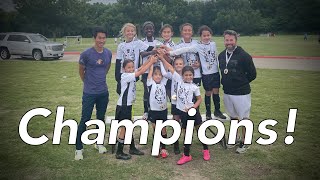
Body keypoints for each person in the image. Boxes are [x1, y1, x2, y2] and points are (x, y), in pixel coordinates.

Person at [159, 54, 210, 165]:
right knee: (186, 133)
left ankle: (206, 150)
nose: (188, 77)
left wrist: (193, 107)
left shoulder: (194, 87)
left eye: (190, 75)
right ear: (182, 76)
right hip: (183, 113)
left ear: (193, 75)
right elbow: (171, 68)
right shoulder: (178, 80)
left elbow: (199, 99)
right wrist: (162, 58)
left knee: (199, 130)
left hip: (193, 112)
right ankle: (187, 155)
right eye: (186, 75)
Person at [166, 25, 226, 120]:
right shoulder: (196, 45)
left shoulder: (212, 44)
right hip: (195, 74)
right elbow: (182, 50)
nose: (206, 37)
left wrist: (200, 63)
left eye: (208, 35)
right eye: (204, 36)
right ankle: (203, 113)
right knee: (201, 93)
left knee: (214, 92)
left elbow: (211, 57)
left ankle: (215, 111)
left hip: (209, 73)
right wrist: (169, 53)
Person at [75, 27, 112, 160]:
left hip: (103, 92)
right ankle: (79, 149)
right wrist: (87, 82)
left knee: (100, 119)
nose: (101, 40)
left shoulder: (108, 53)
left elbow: (107, 68)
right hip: (89, 93)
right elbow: (81, 71)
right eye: (99, 38)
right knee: (85, 119)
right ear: (94, 38)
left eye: (103, 38)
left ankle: (99, 143)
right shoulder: (86, 54)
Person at [218, 30, 256, 153]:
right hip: (227, 92)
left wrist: (241, 83)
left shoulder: (244, 55)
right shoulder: (221, 55)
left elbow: (252, 74)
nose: (229, 42)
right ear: (224, 41)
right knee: (233, 117)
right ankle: (234, 138)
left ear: (235, 40)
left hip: (241, 93)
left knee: (244, 118)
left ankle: (245, 141)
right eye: (227, 40)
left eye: (231, 40)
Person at [115, 55, 157, 160]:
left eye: (132, 67)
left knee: (129, 126)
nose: (131, 69)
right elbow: (141, 72)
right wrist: (151, 62)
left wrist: (149, 60)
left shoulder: (131, 73)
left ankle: (132, 148)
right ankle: (119, 152)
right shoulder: (125, 76)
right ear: (124, 69)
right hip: (123, 106)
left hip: (128, 106)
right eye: (128, 67)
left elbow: (141, 67)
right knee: (125, 128)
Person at [115, 23, 154, 95]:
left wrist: (159, 48)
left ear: (135, 32)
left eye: (132, 31)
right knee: (122, 94)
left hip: (133, 72)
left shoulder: (138, 43)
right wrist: (118, 78)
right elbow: (118, 61)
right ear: (124, 32)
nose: (130, 32)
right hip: (123, 73)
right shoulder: (121, 46)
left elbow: (150, 48)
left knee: (131, 94)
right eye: (128, 31)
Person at [147, 63, 169, 158]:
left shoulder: (163, 82)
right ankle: (156, 147)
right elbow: (150, 72)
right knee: (156, 129)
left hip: (163, 110)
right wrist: (152, 63)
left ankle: (163, 148)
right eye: (156, 74)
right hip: (153, 111)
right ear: (152, 76)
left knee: (163, 129)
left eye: (159, 74)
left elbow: (166, 72)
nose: (158, 76)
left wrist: (161, 60)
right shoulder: (150, 83)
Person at [140, 21, 161, 120]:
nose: (149, 30)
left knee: (156, 91)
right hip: (145, 70)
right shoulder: (142, 42)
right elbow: (142, 54)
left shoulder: (157, 41)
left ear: (154, 30)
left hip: (156, 70)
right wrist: (153, 51)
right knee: (146, 91)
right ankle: (146, 111)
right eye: (147, 28)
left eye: (151, 28)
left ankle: (155, 110)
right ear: (144, 30)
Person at [159, 24, 175, 99]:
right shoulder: (159, 44)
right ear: (161, 33)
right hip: (160, 72)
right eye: (164, 32)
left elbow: (172, 60)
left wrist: (162, 55)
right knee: (161, 95)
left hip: (170, 73)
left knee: (172, 95)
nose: (166, 34)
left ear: (172, 33)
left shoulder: (173, 45)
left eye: (168, 32)